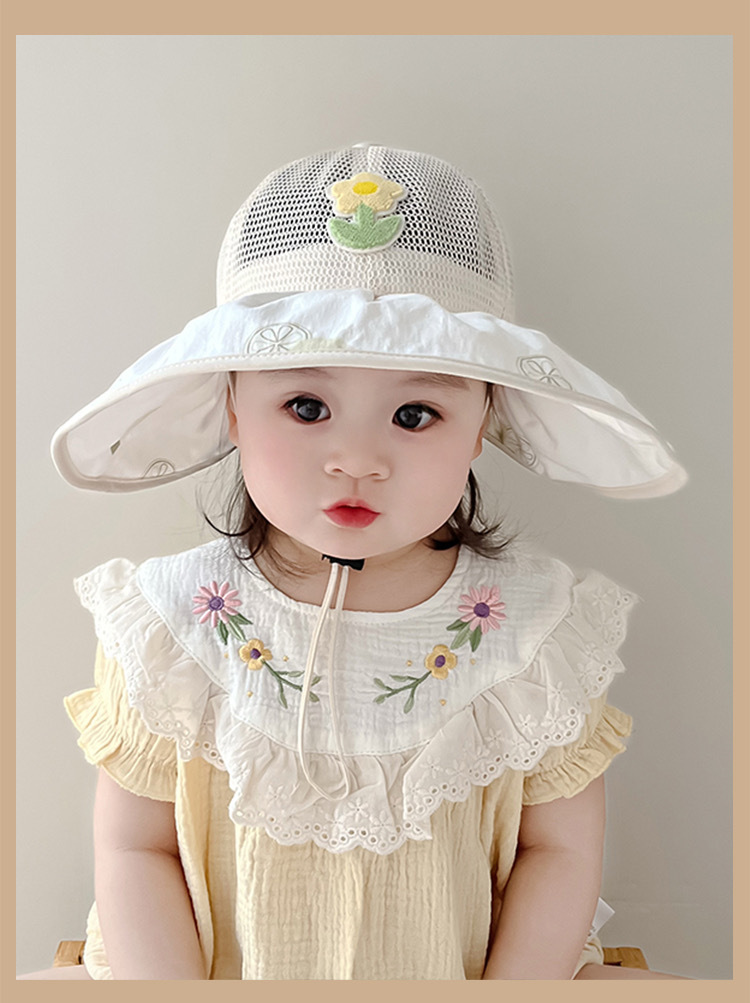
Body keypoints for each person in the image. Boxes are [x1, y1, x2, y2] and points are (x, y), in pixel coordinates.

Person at [20, 145, 691, 980]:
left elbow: (556, 850)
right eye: (307, 406)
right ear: (233, 407)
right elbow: (136, 846)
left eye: (415, 414)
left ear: (482, 426)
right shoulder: (170, 621)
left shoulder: (537, 630)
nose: (358, 460)